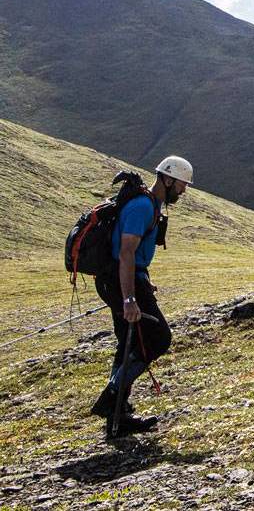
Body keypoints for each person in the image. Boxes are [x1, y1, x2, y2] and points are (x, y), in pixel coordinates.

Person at [91, 155, 191, 439]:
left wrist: (142, 284)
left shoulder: (151, 205)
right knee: (159, 337)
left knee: (128, 341)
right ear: (167, 179)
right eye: (181, 184)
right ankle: (113, 396)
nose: (183, 191)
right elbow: (125, 253)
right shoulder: (141, 207)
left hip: (129, 279)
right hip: (122, 282)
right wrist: (130, 298)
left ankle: (117, 418)